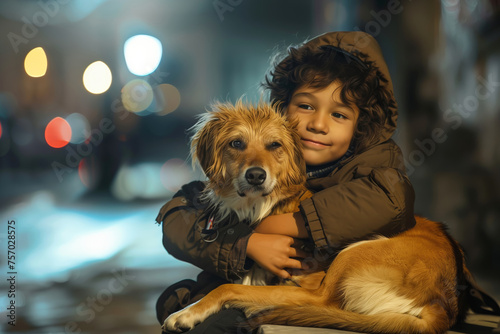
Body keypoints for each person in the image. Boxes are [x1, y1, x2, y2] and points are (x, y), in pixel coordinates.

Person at [155, 31, 415, 333]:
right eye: (306, 106)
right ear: (284, 107)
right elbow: (177, 218)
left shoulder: (369, 168)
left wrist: (285, 224)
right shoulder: (255, 164)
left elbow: (392, 199)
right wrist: (247, 242)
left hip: (367, 283)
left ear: (361, 126)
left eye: (339, 114)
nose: (318, 124)